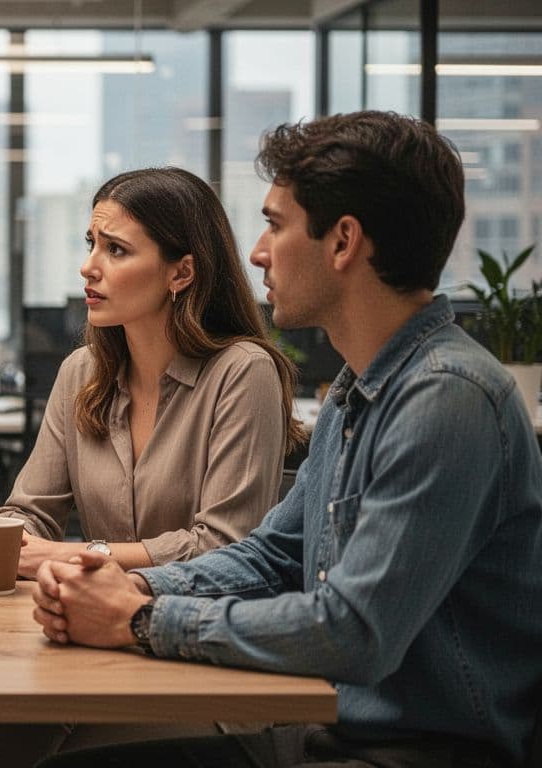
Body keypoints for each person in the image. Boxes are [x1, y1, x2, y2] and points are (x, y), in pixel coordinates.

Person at [33, 111, 542, 768]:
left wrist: (137, 621)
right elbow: (271, 557)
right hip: (330, 727)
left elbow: (353, 632)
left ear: (343, 243)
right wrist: (138, 589)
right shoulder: (358, 392)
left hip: (416, 751)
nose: (255, 252)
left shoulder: (447, 398)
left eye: (275, 224)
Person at [0, 166, 304, 766]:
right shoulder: (80, 374)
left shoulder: (243, 372)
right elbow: (28, 510)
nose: (90, 266)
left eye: (116, 249)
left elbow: (221, 545)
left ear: (181, 272)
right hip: (89, 638)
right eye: (90, 244)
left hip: (194, 655)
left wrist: (77, 557)